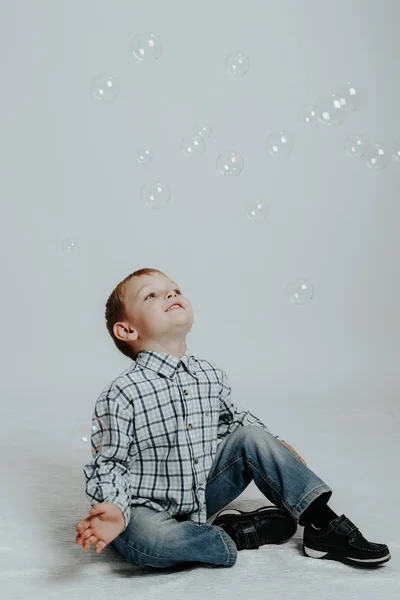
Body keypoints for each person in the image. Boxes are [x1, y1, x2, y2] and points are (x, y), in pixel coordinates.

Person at [75, 268, 391, 569]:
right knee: (150, 543)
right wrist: (114, 509)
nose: (171, 295)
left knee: (252, 436)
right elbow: (109, 463)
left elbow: (235, 422)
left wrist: (275, 447)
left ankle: (323, 525)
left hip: (200, 493)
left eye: (175, 290)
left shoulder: (210, 375)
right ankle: (236, 534)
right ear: (127, 330)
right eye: (152, 296)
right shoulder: (123, 393)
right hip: (144, 508)